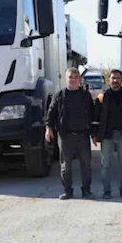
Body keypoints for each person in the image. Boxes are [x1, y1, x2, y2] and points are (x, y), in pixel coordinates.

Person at [45, 68, 96, 200]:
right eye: (70, 77)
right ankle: (68, 191)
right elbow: (51, 113)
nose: (73, 79)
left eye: (75, 77)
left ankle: (86, 190)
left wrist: (94, 133)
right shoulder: (59, 95)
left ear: (79, 79)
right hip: (65, 136)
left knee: (86, 165)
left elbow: (92, 114)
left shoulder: (85, 95)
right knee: (65, 166)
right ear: (66, 79)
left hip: (83, 135)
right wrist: (48, 128)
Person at [93, 69, 122, 199]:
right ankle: (107, 191)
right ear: (109, 80)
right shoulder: (101, 97)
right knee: (105, 165)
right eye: (113, 78)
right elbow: (95, 118)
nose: (115, 80)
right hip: (107, 136)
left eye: (118, 78)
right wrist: (94, 135)